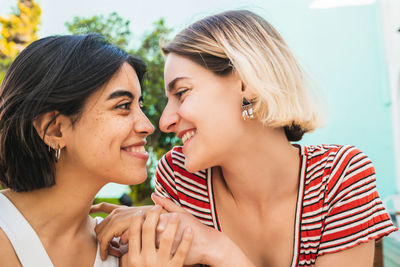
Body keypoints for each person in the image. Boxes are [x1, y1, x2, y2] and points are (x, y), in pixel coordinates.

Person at [93, 10, 398, 267]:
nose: (165, 121)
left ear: (247, 83)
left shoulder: (338, 177)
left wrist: (218, 250)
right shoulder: (182, 178)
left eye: (182, 93)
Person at [0, 34, 193, 267]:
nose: (147, 126)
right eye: (123, 106)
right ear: (54, 130)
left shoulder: (129, 251)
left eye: (139, 106)